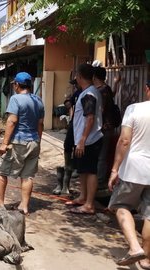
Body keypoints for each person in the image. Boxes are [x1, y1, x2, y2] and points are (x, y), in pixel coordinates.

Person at [108, 80, 150, 268]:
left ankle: (135, 247)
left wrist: (115, 169)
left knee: (121, 205)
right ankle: (147, 259)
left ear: (147, 89)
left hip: (133, 168)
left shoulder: (134, 109)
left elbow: (124, 140)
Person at [0, 72, 44, 215]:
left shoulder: (15, 99)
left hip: (18, 142)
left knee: (1, 171)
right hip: (34, 141)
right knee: (27, 175)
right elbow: (40, 123)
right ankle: (24, 205)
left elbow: (12, 121)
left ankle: (0, 202)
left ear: (17, 85)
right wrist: (38, 141)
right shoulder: (38, 100)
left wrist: (4, 143)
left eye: (14, 84)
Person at [67, 63, 103, 215]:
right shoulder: (88, 92)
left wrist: (82, 139)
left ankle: (89, 204)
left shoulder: (89, 94)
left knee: (90, 171)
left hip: (90, 140)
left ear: (80, 76)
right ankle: (83, 197)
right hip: (84, 140)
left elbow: (90, 118)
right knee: (82, 169)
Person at [94, 66, 121, 195]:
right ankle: (99, 179)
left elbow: (101, 110)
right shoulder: (106, 89)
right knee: (102, 155)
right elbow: (113, 95)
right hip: (107, 127)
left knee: (101, 156)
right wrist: (116, 83)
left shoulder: (101, 91)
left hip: (103, 127)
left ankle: (99, 181)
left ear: (94, 77)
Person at [53, 79, 82, 195]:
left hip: (81, 125)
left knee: (77, 146)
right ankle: (67, 169)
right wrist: (68, 98)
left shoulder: (86, 93)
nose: (74, 85)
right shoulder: (77, 92)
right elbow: (69, 104)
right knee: (68, 145)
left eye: (76, 83)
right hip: (74, 123)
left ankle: (73, 170)